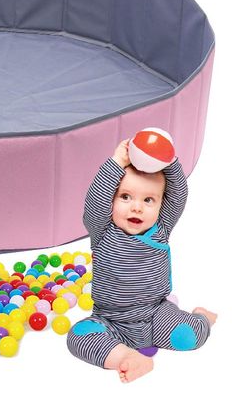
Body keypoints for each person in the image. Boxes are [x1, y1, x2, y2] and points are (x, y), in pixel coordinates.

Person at [67, 139, 217, 383]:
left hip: (156, 314)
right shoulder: (102, 231)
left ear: (160, 205)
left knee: (189, 337)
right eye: (125, 197)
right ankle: (125, 356)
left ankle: (203, 318)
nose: (137, 207)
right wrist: (117, 163)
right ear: (111, 200)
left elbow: (178, 194)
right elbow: (95, 203)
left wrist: (169, 161)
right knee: (78, 336)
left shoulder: (160, 229)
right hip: (110, 320)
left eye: (148, 200)